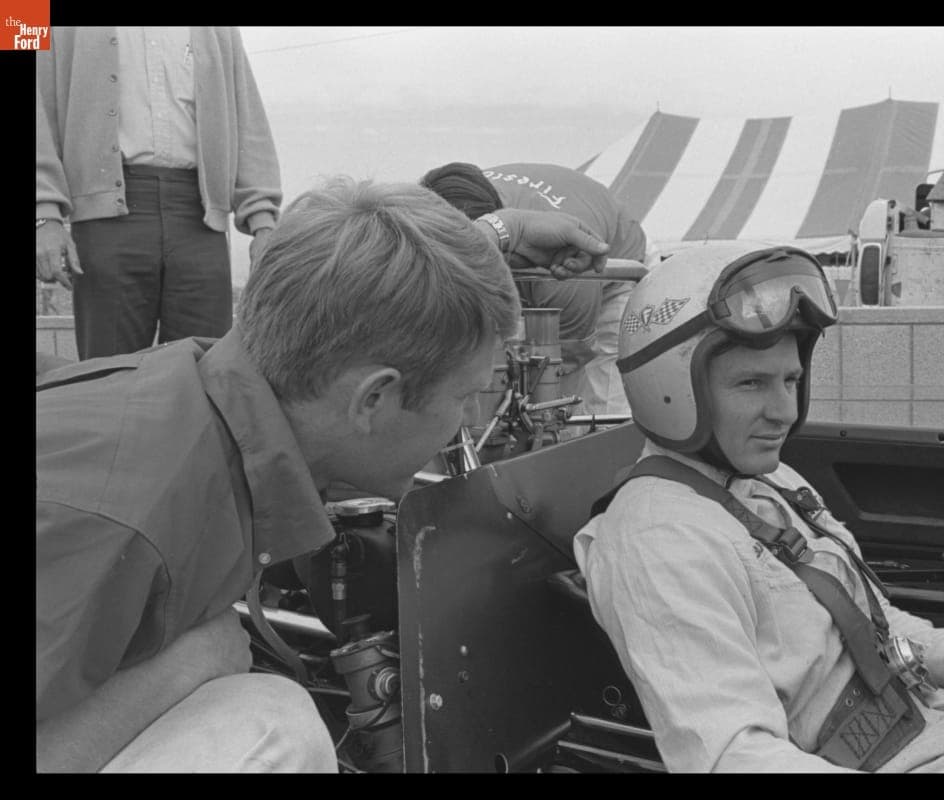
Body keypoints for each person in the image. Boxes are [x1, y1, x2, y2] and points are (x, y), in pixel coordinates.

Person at [36, 176, 610, 773]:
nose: (469, 417)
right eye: (465, 397)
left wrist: (497, 233)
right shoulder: (111, 522)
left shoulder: (212, 400)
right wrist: (191, 665)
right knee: (268, 722)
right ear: (373, 400)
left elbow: (347, 290)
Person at [574, 242, 944, 772]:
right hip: (905, 760)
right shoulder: (659, 541)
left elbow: (869, 617)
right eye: (751, 383)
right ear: (670, 389)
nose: (782, 411)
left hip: (936, 712)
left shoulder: (769, 479)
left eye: (791, 380)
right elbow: (735, 756)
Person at [36, 27, 282, 360]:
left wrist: (263, 220)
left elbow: (245, 106)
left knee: (208, 376)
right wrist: (43, 213)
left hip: (202, 219)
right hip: (104, 219)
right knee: (108, 379)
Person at [421, 161, 650, 416]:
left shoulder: (562, 272)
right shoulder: (438, 209)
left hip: (610, 269)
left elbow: (567, 359)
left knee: (595, 401)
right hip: (540, 237)